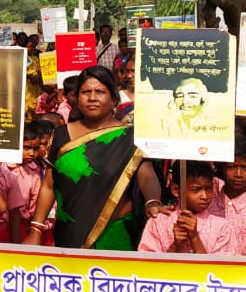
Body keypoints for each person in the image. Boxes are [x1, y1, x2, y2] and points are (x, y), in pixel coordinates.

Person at [21, 66, 164, 250]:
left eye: (100, 92)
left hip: (115, 236)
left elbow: (147, 175)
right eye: (86, 92)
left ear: (113, 99)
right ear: (77, 98)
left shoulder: (130, 138)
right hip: (69, 233)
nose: (92, 98)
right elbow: (49, 184)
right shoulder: (62, 134)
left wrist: (152, 201)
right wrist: (36, 230)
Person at [138, 161, 238, 254]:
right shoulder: (158, 222)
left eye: (209, 188)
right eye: (196, 189)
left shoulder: (222, 227)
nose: (204, 196)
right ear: (175, 190)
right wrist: (175, 245)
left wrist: (195, 238)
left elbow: (221, 266)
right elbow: (147, 264)